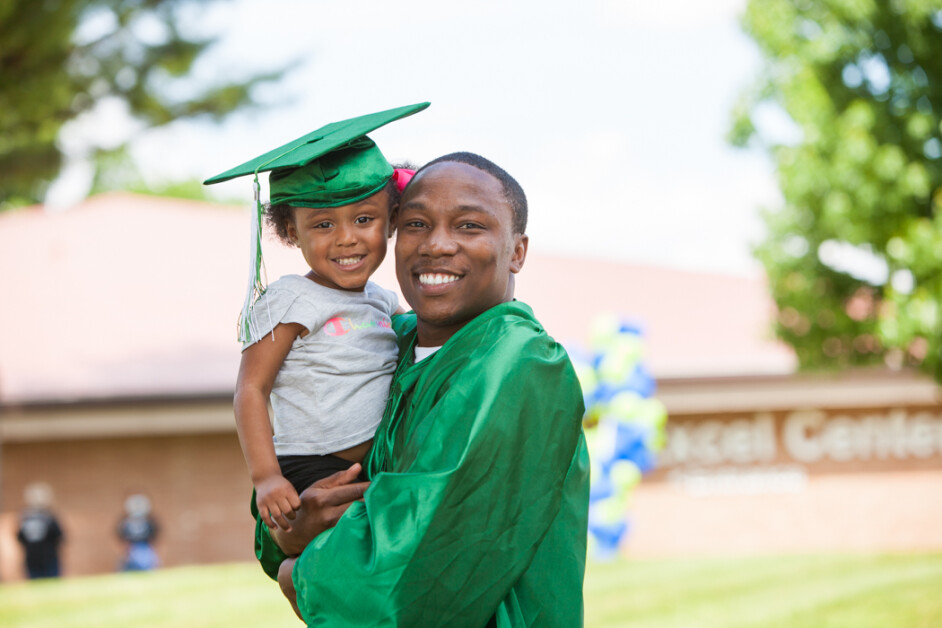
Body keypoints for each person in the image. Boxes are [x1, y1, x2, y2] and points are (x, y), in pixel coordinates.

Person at [263, 152, 590, 626]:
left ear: (517, 252)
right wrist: (286, 530)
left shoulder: (519, 361)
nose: (436, 244)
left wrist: (297, 569)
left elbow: (407, 581)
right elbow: (291, 481)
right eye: (415, 224)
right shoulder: (385, 346)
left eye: (469, 226)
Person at [203, 104, 429, 541]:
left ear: (392, 220)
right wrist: (267, 477)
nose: (346, 238)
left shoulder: (384, 301)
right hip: (311, 466)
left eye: (364, 219)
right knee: (345, 557)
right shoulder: (291, 298)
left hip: (375, 465)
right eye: (323, 224)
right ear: (291, 232)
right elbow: (251, 389)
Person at [16, 482, 64, 579]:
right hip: (35, 558)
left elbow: (59, 536)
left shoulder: (48, 516)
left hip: (47, 558)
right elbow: (20, 537)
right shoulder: (26, 517)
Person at [116, 493, 160, 571]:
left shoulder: (149, 521)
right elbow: (121, 533)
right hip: (131, 549)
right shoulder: (125, 522)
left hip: (145, 548)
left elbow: (154, 532)